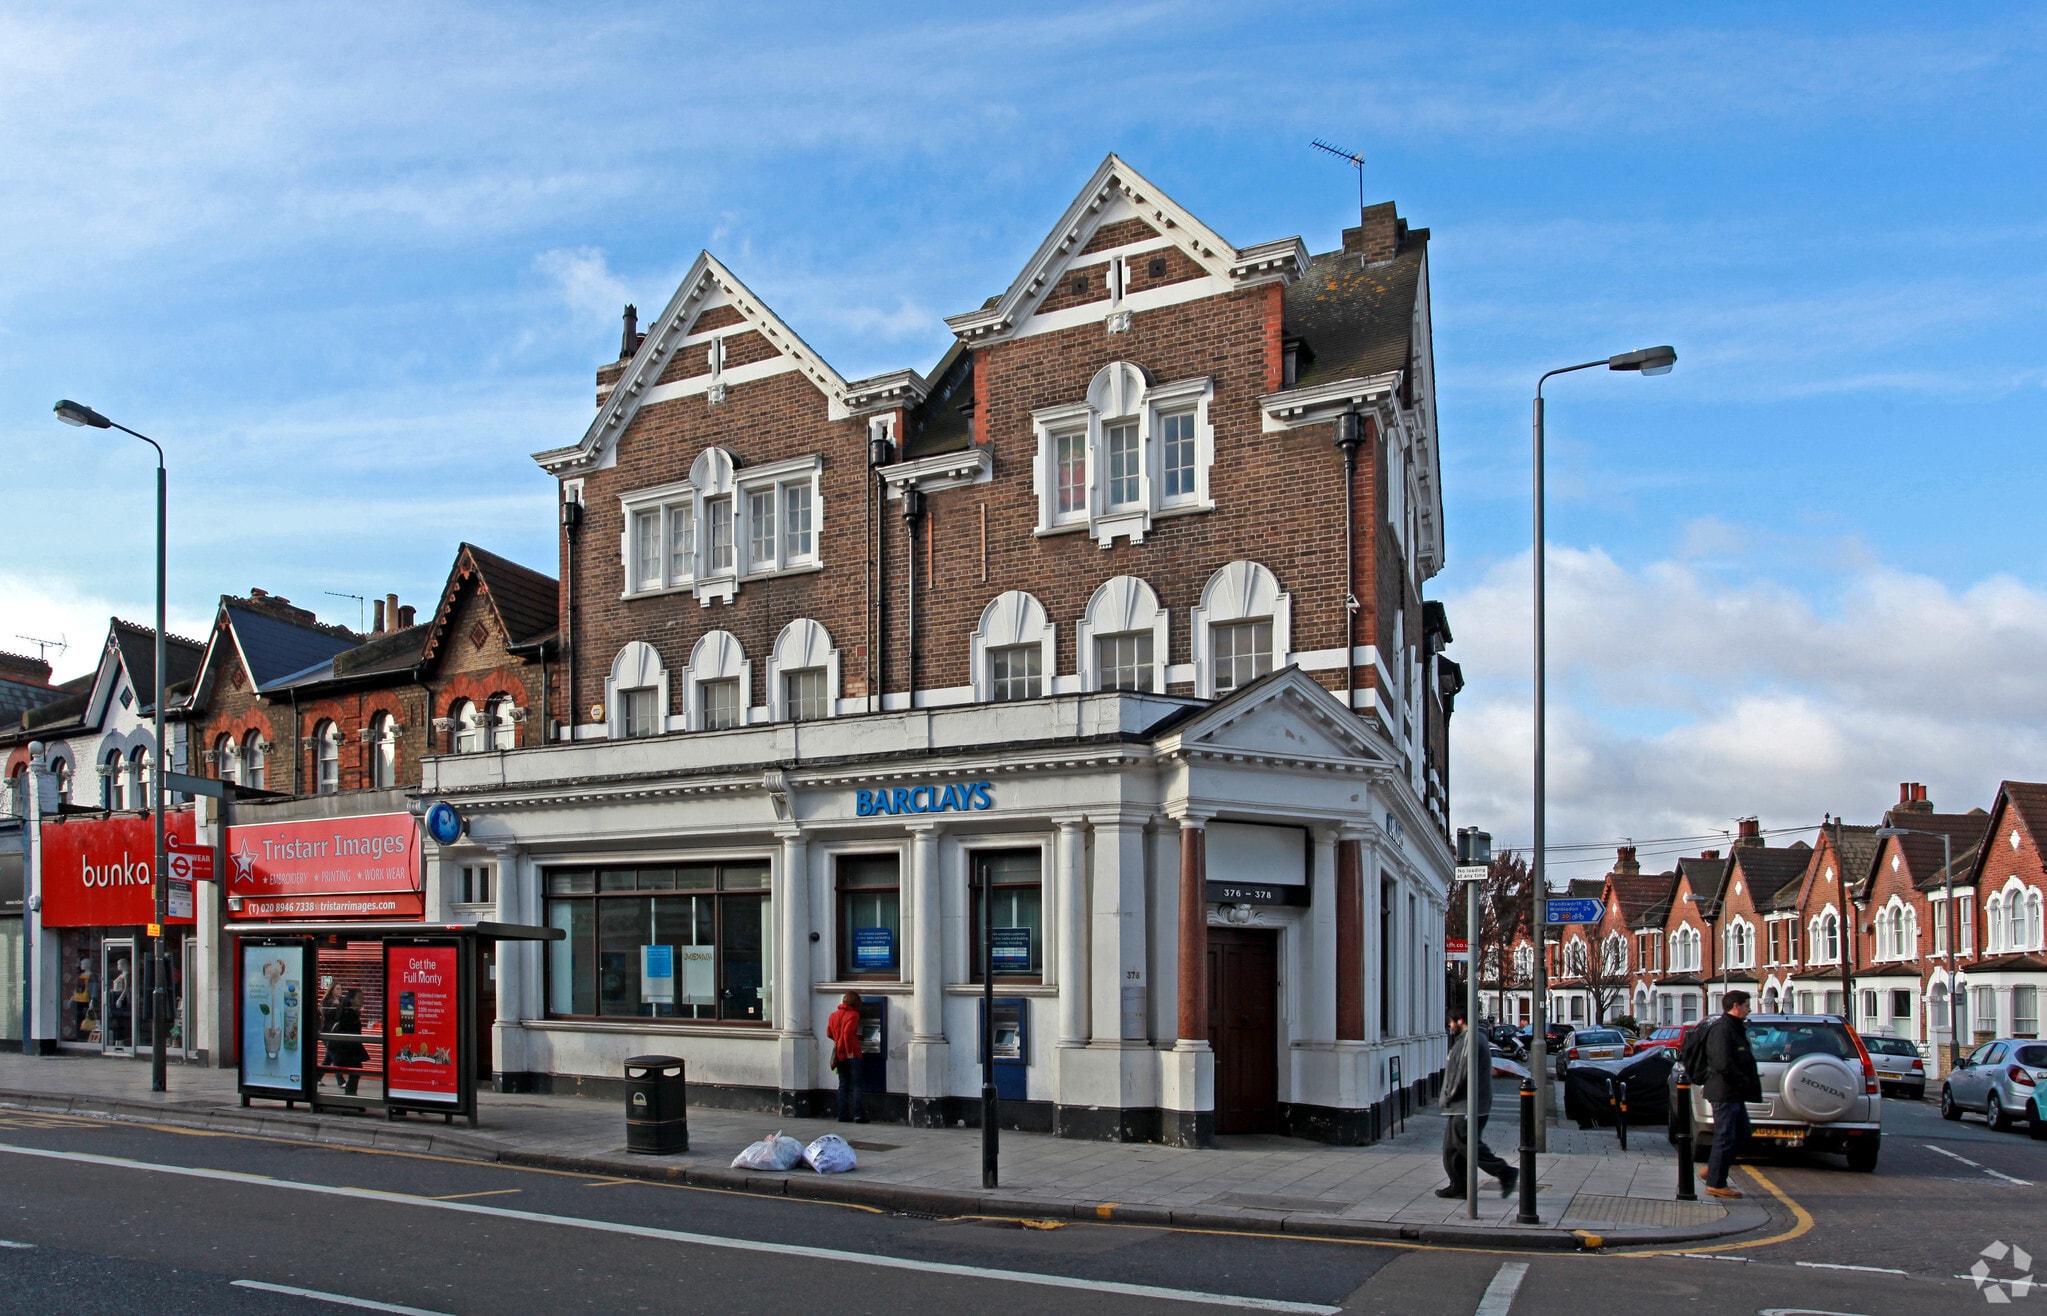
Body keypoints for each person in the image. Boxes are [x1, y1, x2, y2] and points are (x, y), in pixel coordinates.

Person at [1437, 1004, 1518, 1199]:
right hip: (1461, 1104)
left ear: (1460, 1021)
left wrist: (1449, 1095)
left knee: (1467, 1144)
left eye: (1450, 1022)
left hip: (1468, 1104)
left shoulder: (1470, 1040)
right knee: (1452, 1148)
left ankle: (1505, 1172)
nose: (1450, 1027)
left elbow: (1461, 1073)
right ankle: (1459, 1185)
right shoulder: (1467, 1039)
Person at [1700, 989, 1761, 1199]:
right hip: (1724, 1092)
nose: (1749, 1009)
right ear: (1736, 1006)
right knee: (1725, 1136)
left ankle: (1715, 1167)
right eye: (1746, 1005)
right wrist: (1742, 1080)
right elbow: (1721, 1062)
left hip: (1733, 1092)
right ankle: (1716, 1183)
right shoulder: (1723, 1029)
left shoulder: (1734, 1027)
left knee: (1743, 1133)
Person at [827, 992, 869, 1124]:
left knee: (843, 1085)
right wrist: (850, 1051)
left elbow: (829, 1033)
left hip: (839, 1055)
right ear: (856, 1003)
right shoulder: (853, 1015)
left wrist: (839, 1042)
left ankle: (842, 1114)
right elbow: (847, 1034)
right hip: (852, 1055)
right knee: (857, 1085)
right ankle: (859, 1115)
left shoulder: (833, 1015)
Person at [328, 989, 369, 1097]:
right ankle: (350, 1093)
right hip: (345, 1048)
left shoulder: (351, 1012)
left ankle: (350, 1093)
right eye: (359, 998)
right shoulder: (348, 1013)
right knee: (356, 1070)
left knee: (355, 1070)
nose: (362, 1000)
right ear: (351, 1000)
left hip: (345, 1048)